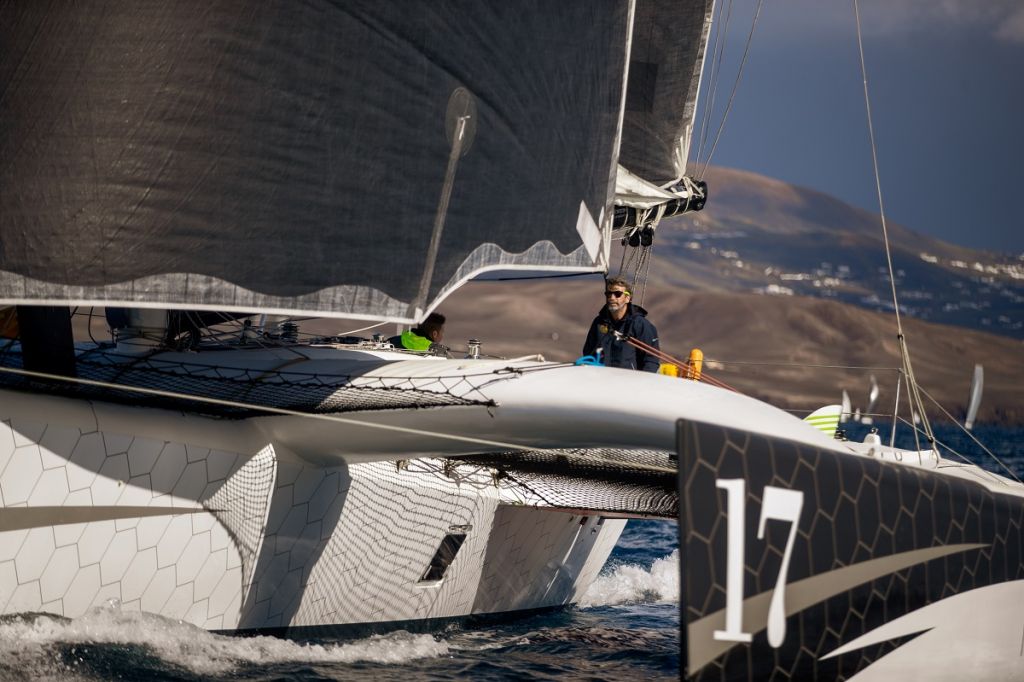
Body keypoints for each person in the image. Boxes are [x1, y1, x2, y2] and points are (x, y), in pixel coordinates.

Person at [581, 277, 660, 371]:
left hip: (628, 381)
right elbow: (588, 352)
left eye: (617, 294)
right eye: (608, 294)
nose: (612, 298)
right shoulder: (599, 322)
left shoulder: (640, 324)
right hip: (601, 379)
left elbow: (651, 360)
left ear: (627, 298)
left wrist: (641, 383)